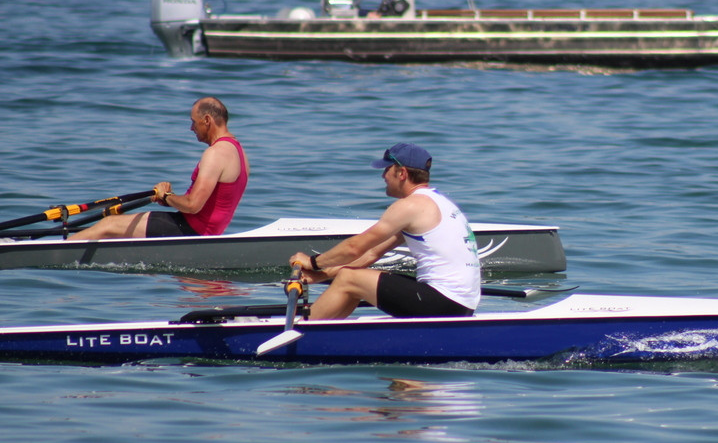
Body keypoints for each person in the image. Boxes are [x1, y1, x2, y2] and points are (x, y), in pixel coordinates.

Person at [289, 143, 481, 320]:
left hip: (444, 303)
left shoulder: (410, 206)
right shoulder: (439, 202)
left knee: (348, 279)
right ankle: (325, 331)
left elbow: (355, 248)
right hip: (461, 305)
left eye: (387, 169)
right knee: (352, 275)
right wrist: (323, 275)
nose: (383, 176)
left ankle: (304, 332)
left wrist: (313, 263)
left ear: (402, 173)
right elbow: (371, 253)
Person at [68, 97, 249, 240]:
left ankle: (58, 251)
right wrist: (166, 199)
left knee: (108, 224)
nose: (191, 127)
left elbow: (193, 205)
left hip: (191, 230)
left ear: (207, 120)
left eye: (194, 122)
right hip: (205, 231)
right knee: (116, 231)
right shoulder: (239, 152)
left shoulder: (215, 153)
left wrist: (167, 196)